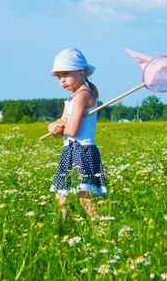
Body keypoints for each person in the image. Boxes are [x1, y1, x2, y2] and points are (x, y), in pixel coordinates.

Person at [48, 48, 107, 219]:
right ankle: (68, 226)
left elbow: (72, 130)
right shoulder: (73, 97)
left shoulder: (83, 96)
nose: (62, 80)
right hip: (70, 150)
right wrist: (53, 127)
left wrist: (59, 129)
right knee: (61, 196)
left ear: (81, 72)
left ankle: (101, 229)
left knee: (84, 198)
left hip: (83, 150)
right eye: (59, 77)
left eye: (66, 74)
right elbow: (62, 123)